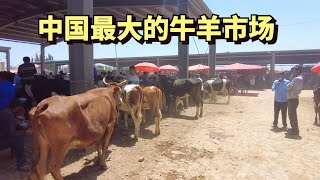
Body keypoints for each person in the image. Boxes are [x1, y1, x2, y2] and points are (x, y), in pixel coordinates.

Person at [0, 72, 28, 172]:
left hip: (3, 112)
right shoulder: (11, 86)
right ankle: (21, 163)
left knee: (13, 137)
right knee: (15, 136)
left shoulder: (2, 85)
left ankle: (21, 163)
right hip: (9, 111)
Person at [286, 65, 304, 136]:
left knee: (292, 115)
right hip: (293, 98)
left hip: (293, 99)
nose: (293, 72)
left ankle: (295, 130)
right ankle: (293, 128)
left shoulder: (297, 79)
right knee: (292, 114)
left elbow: (288, 87)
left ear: (298, 71)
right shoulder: (298, 78)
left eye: (294, 71)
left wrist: (288, 85)